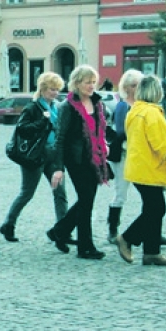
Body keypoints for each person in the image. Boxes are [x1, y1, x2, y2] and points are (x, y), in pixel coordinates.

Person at [115, 75, 166, 266]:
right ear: (157, 92)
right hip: (149, 169)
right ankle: (128, 238)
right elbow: (163, 145)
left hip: (138, 168)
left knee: (152, 207)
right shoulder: (152, 113)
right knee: (156, 208)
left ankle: (151, 251)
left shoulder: (135, 110)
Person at [47, 65, 109, 260]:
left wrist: (106, 145)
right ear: (76, 83)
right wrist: (58, 168)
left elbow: (101, 129)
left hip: (96, 156)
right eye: (87, 82)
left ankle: (60, 230)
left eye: (93, 82)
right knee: (86, 199)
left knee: (86, 200)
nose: (91, 86)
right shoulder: (67, 107)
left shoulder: (98, 103)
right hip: (76, 159)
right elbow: (60, 138)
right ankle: (85, 246)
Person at [0, 72, 68, 242]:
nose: (55, 93)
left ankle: (62, 230)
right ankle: (8, 224)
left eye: (57, 89)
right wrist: (42, 122)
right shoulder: (33, 107)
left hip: (53, 154)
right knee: (27, 193)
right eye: (52, 89)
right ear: (43, 89)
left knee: (60, 193)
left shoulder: (57, 107)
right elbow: (22, 128)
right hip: (35, 156)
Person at [106, 70, 143, 244]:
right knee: (121, 192)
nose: (136, 88)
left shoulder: (143, 104)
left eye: (139, 85)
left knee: (150, 194)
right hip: (123, 153)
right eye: (134, 85)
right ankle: (113, 229)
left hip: (139, 154)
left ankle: (152, 231)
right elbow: (120, 130)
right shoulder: (123, 105)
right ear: (126, 87)